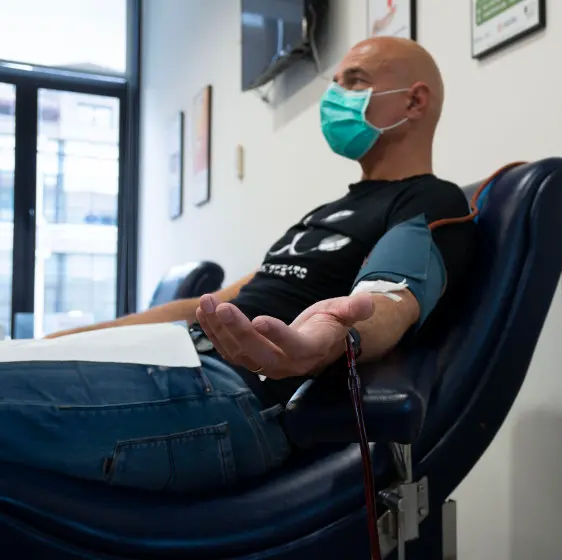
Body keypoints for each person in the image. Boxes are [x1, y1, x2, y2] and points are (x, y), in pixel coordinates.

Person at [0, 37, 475, 493]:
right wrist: (54, 342)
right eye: (334, 83)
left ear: (414, 102)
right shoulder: (323, 215)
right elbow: (208, 303)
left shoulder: (429, 199)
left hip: (238, 395)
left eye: (354, 81)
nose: (335, 97)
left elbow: (390, 297)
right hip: (182, 355)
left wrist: (328, 338)